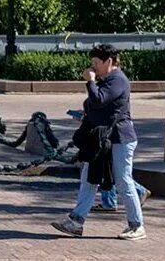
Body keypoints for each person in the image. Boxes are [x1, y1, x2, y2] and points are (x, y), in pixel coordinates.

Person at [52, 45, 145, 241]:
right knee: (89, 178)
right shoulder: (108, 80)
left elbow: (99, 100)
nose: (93, 67)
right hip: (103, 140)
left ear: (108, 61)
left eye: (96, 63)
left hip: (120, 139)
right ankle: (76, 221)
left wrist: (91, 81)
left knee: (123, 181)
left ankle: (137, 225)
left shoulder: (118, 80)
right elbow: (95, 106)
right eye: (92, 63)